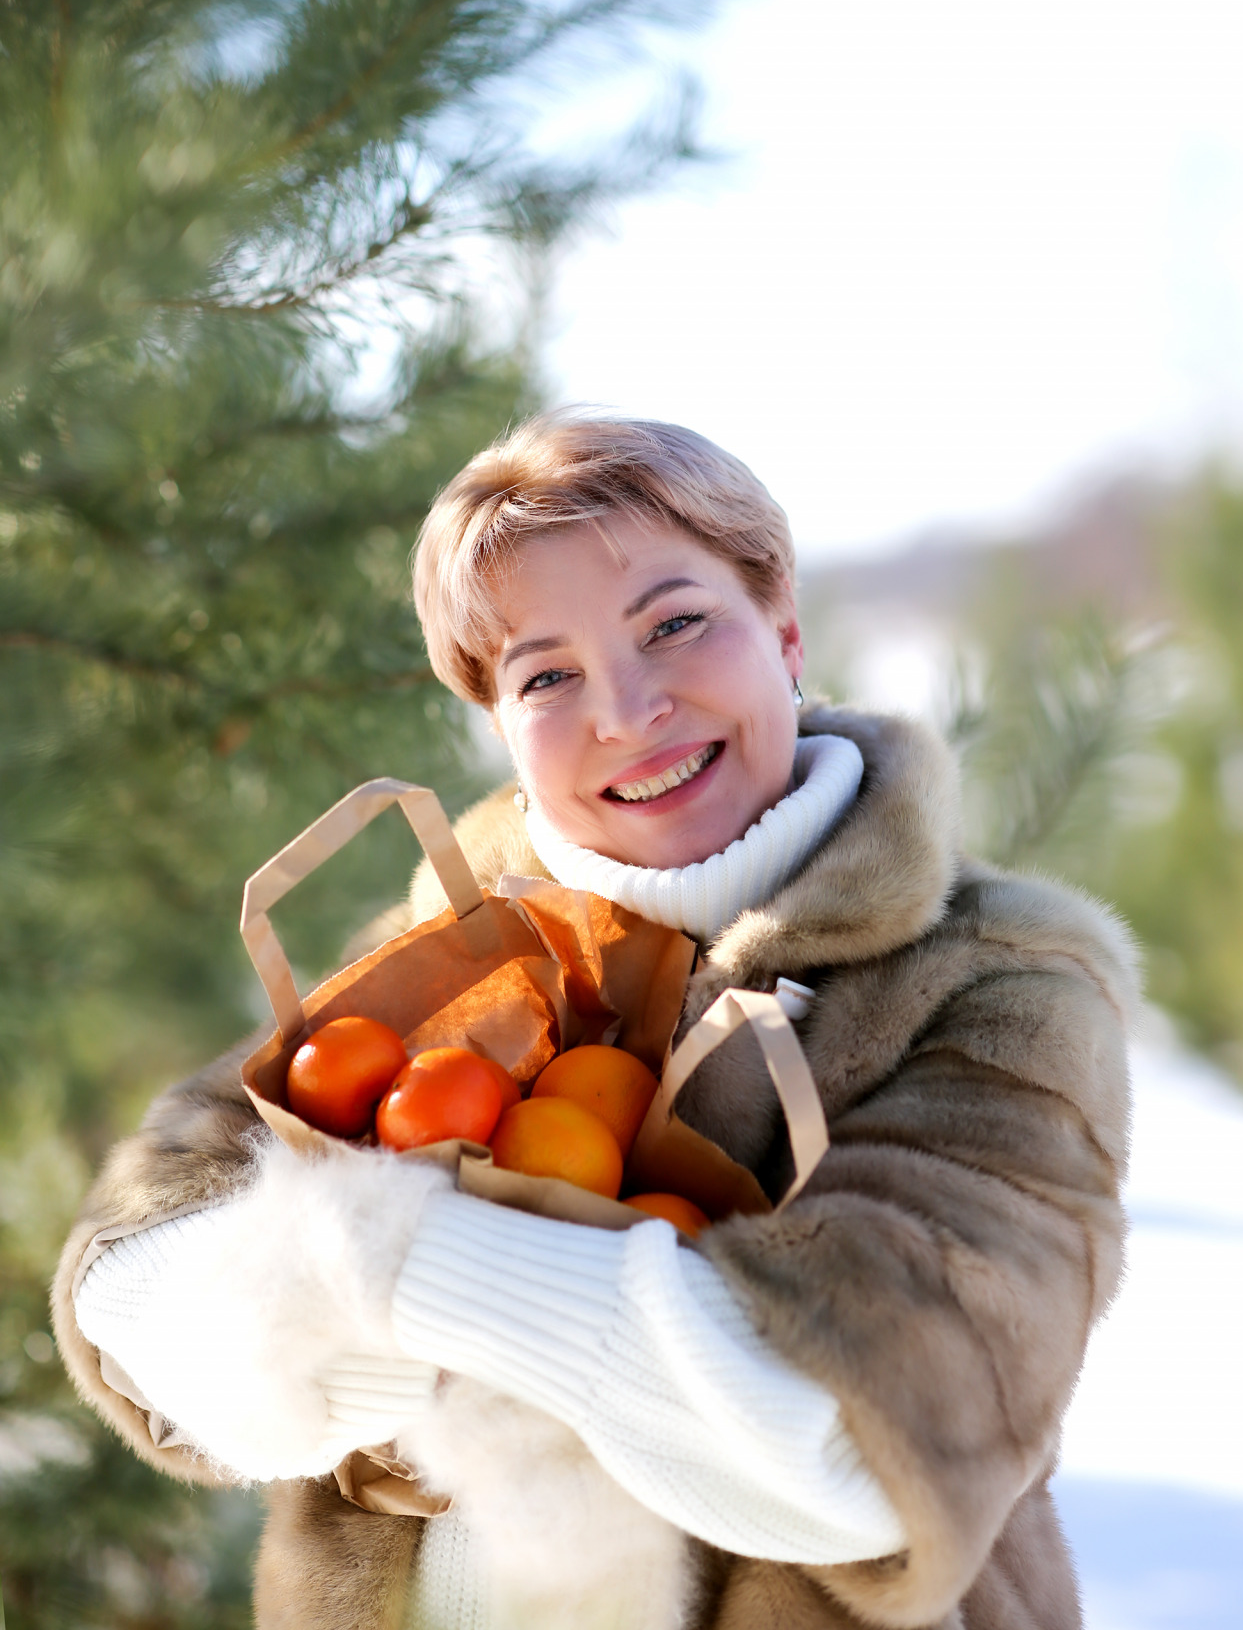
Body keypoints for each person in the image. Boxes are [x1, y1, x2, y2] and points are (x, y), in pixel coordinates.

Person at [54, 415, 1137, 1630]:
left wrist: (366, 1271)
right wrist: (600, 1343)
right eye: (546, 673)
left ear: (783, 634)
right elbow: (127, 1305)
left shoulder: (994, 976)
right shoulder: (439, 957)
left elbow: (861, 1459)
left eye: (674, 624)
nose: (624, 711)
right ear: (499, 722)